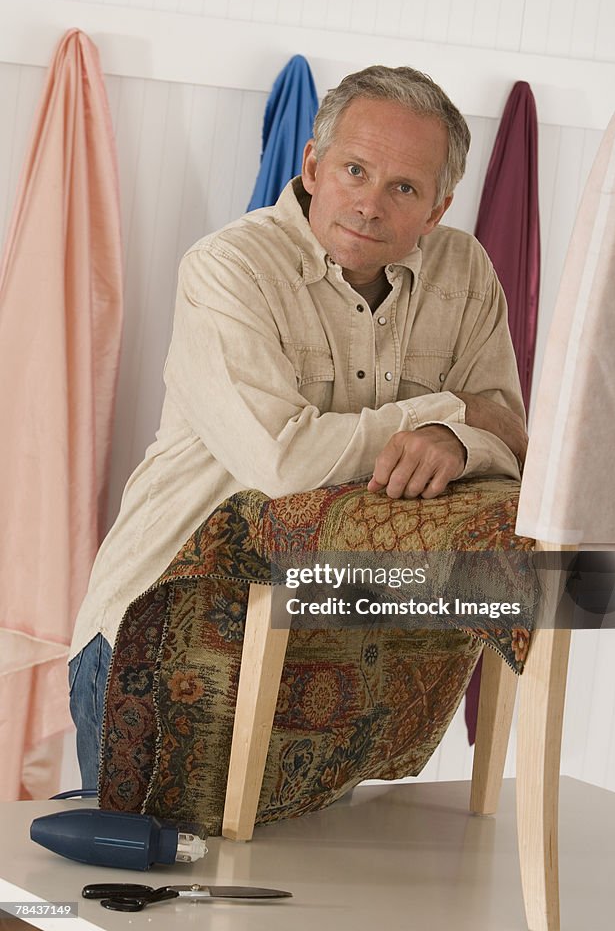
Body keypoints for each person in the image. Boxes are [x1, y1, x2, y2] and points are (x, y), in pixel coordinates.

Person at [69, 64, 527, 790]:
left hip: (344, 658)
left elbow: (513, 441)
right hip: (166, 633)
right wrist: (451, 410)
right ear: (312, 166)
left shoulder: (464, 272)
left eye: (402, 188)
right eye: (353, 170)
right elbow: (280, 462)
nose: (369, 204)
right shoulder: (228, 269)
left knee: (299, 897)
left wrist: (455, 440)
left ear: (436, 209)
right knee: (145, 896)